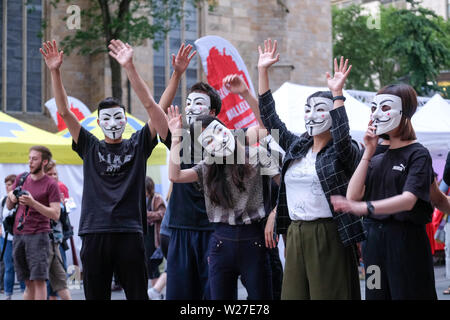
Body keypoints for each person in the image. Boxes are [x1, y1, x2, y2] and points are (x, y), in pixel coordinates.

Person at [40, 39, 169, 300]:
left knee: (137, 295)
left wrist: (131, 68)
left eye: (118, 117)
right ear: (98, 123)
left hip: (130, 232)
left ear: (125, 119)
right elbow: (64, 111)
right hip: (95, 232)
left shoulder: (138, 143)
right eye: (107, 118)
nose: (113, 122)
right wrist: (55, 71)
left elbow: (154, 109)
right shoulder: (89, 145)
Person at [255, 39, 364, 300]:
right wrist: (262, 71)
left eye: (320, 110)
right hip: (294, 231)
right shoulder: (297, 146)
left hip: (327, 233)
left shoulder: (344, 150)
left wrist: (337, 95)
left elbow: (341, 133)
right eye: (308, 110)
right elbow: (270, 119)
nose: (312, 115)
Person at [331, 84, 438, 300]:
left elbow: (408, 201)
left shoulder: (418, 154)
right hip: (374, 243)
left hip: (405, 241)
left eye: (385, 107)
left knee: (408, 294)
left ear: (404, 112)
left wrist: (365, 207)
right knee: (375, 293)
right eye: (373, 108)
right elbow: (353, 195)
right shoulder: (375, 153)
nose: (377, 114)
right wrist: (368, 152)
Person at [167, 105, 280, 300]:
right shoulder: (209, 166)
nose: (216, 140)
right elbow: (175, 176)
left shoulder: (257, 155)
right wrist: (176, 137)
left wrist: (274, 214)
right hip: (221, 241)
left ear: (227, 129)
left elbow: (286, 186)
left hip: (253, 238)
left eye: (218, 131)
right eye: (208, 140)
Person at [5, 146, 61, 300]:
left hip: (39, 235)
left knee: (38, 281)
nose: (30, 162)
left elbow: (56, 214)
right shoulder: (21, 178)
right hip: (18, 235)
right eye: (29, 158)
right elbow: (10, 206)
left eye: (34, 159)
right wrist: (11, 197)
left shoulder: (51, 184)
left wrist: (33, 203)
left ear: (44, 162)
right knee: (27, 281)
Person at [43, 161, 72, 300]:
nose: (54, 177)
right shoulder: (42, 193)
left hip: (58, 240)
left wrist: (64, 206)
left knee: (61, 277)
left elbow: (61, 217)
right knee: (44, 279)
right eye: (50, 174)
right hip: (45, 241)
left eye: (55, 174)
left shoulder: (57, 191)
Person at [0, 174, 26, 300]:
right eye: (6, 184)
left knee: (21, 266)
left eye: (10, 184)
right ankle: (8, 294)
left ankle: (25, 292)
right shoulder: (3, 200)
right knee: (8, 267)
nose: (7, 187)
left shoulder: (22, 199)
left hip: (20, 237)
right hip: (6, 238)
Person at [143, 177, 166, 288]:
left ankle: (156, 290)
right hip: (146, 235)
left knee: (153, 262)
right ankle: (154, 290)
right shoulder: (144, 199)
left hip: (155, 235)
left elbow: (162, 214)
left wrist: (146, 214)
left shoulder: (157, 198)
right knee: (148, 262)